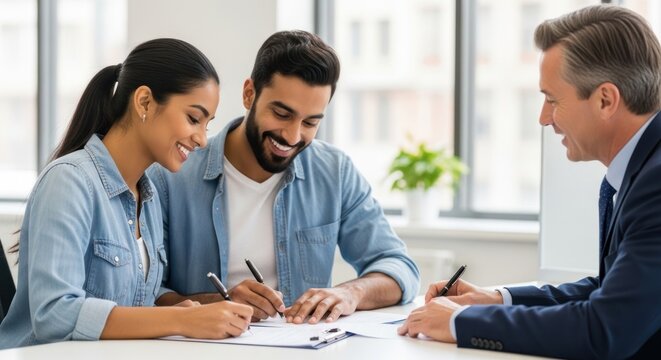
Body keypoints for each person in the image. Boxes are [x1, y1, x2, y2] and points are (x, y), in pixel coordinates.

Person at [398, 5, 661, 359]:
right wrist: (497, 298)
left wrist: (462, 321)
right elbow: (611, 290)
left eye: (552, 99)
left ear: (605, 99)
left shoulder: (655, 182)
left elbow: (605, 328)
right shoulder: (642, 168)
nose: (543, 118)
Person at [148, 30, 420, 324]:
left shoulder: (334, 172)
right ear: (249, 94)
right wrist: (219, 301)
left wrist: (350, 293)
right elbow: (147, 292)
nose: (292, 136)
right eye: (281, 114)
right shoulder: (170, 176)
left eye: (310, 122)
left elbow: (398, 266)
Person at [0, 38, 253, 349]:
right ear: (144, 101)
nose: (201, 140)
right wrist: (182, 321)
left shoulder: (147, 197)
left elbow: (139, 293)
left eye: (207, 125)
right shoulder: (70, 182)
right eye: (193, 119)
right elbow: (54, 312)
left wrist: (203, 306)